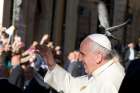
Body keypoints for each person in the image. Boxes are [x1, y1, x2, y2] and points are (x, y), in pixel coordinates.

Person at [38, 33, 125, 93]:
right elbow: (72, 85)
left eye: (83, 54)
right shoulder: (101, 72)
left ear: (98, 57)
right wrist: (51, 63)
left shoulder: (109, 81)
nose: (80, 59)